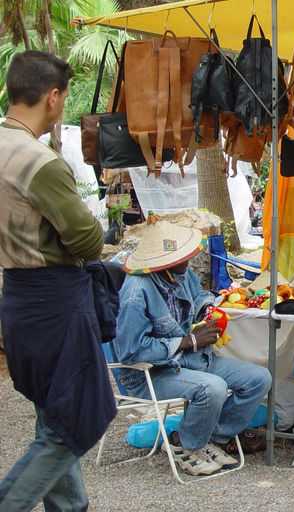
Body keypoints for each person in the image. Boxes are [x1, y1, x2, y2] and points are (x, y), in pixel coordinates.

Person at [0, 51, 116, 511]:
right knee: (82, 416)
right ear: (52, 97)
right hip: (55, 301)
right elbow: (87, 240)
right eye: (64, 99)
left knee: (55, 412)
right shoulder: (38, 160)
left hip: (18, 296)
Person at [113, 212, 272, 477]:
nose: (188, 260)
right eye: (182, 257)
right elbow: (130, 351)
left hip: (190, 361)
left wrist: (210, 310)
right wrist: (189, 341)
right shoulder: (135, 293)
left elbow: (200, 295)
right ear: (164, 262)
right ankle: (184, 444)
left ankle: (207, 437)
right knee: (213, 388)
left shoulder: (181, 276)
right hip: (149, 373)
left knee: (259, 379)